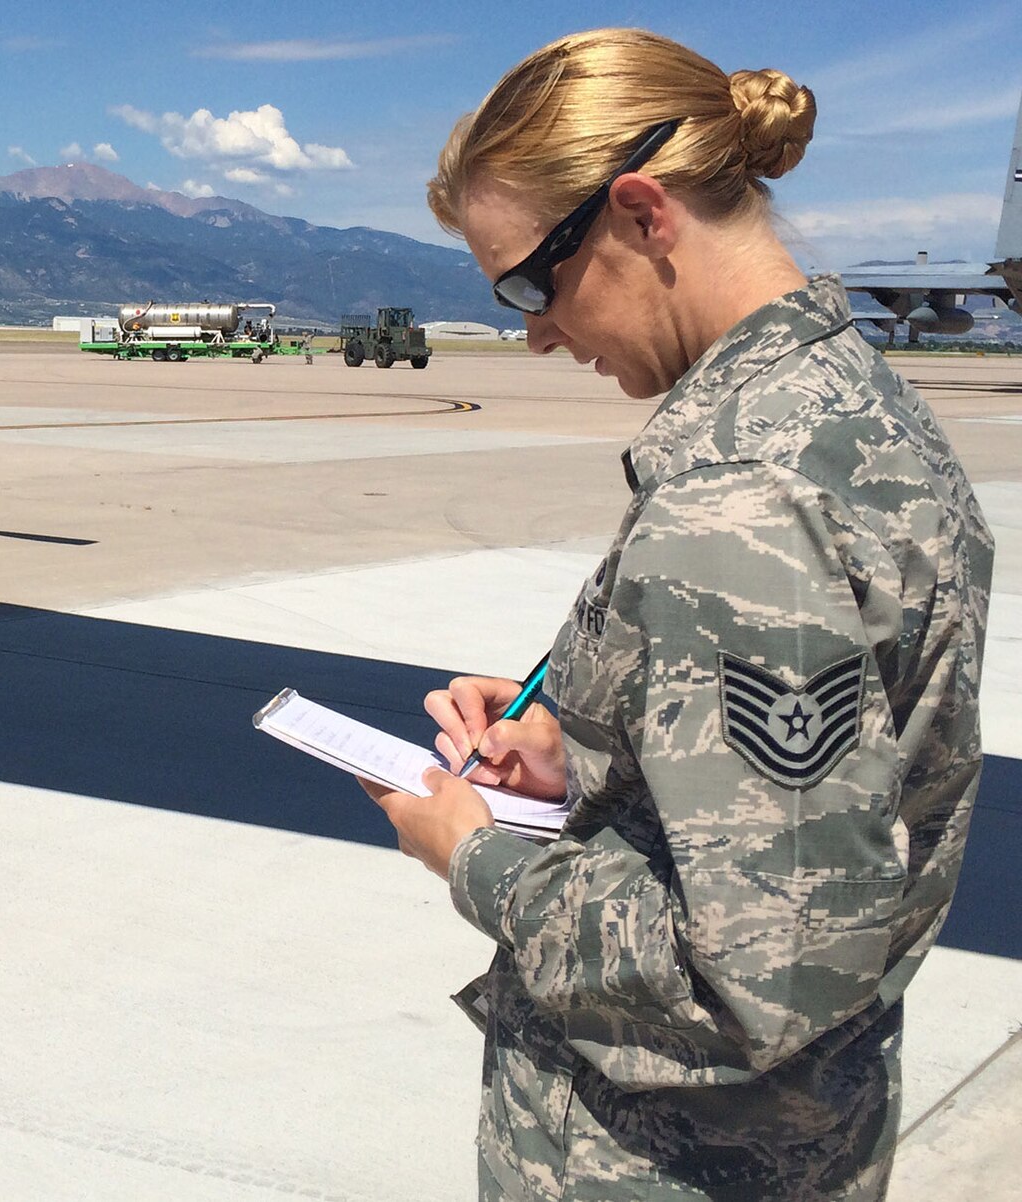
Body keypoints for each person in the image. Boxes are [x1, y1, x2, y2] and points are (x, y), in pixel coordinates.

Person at [365, 29, 994, 1200]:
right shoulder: (850, 410)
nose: (534, 330)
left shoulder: (737, 497)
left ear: (643, 215)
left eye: (529, 281)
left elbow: (763, 969)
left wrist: (474, 854)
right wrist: (586, 733)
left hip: (665, 1158)